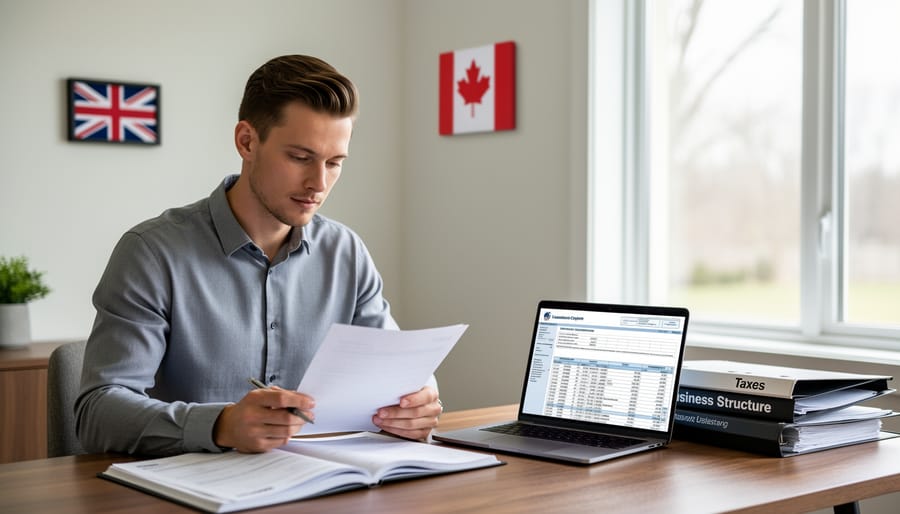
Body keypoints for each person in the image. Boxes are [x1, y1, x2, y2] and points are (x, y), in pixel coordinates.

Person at [75, 55, 442, 456]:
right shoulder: (152, 253)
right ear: (247, 141)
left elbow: (396, 374)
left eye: (334, 163)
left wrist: (416, 404)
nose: (318, 183)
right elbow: (97, 413)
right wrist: (220, 425)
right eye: (300, 158)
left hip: (316, 486)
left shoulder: (347, 253)